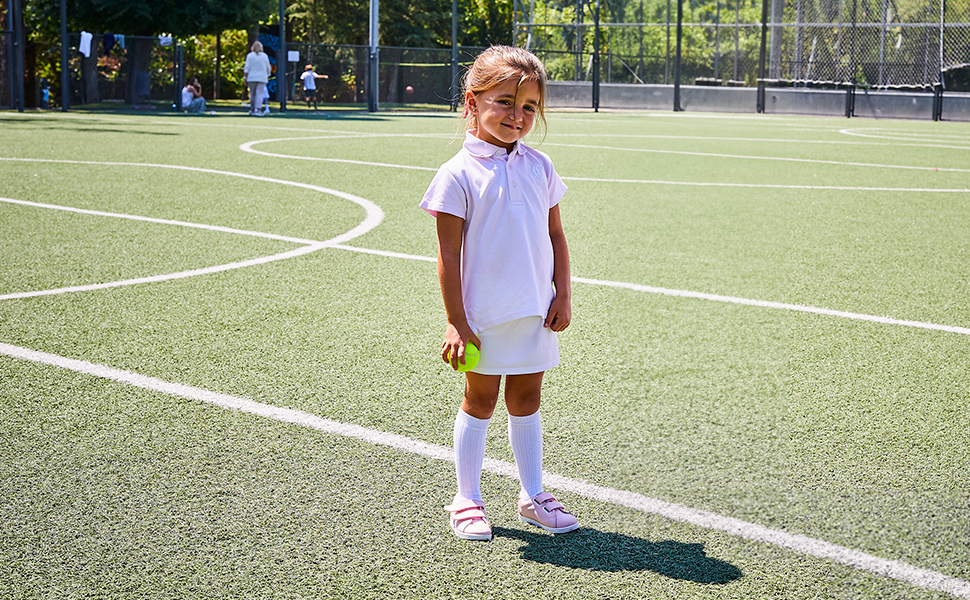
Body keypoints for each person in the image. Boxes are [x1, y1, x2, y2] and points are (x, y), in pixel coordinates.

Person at [420, 45, 577, 542]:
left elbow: (556, 236)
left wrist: (563, 294)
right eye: (505, 102)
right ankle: (466, 497)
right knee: (480, 397)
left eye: (528, 107)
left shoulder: (540, 166)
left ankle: (532, 495)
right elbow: (448, 256)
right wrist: (456, 321)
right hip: (482, 316)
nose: (517, 115)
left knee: (527, 397)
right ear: (472, 101)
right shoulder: (457, 174)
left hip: (534, 311)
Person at [243, 41, 272, 116]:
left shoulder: (250, 56)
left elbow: (247, 67)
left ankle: (252, 109)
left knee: (252, 93)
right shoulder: (264, 56)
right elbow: (268, 67)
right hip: (262, 77)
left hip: (251, 77)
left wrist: (245, 77)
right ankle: (258, 110)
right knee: (259, 93)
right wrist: (268, 75)